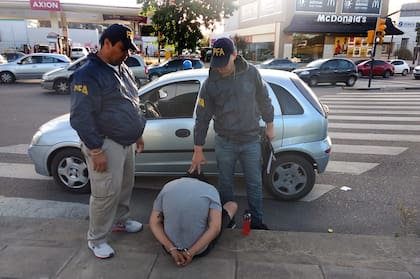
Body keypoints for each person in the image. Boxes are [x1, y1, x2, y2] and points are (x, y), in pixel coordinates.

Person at [70, 23, 147, 259]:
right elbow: (81, 117)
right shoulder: (87, 74)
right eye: (123, 48)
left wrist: (137, 132)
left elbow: (131, 103)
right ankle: (97, 239)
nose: (126, 54)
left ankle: (120, 222)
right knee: (105, 193)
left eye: (128, 50)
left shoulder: (122, 68)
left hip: (125, 141)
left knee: (124, 186)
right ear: (106, 44)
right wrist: (95, 150)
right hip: (104, 143)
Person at [189, 37, 275, 230]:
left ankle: (257, 222)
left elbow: (264, 99)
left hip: (251, 140)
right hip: (225, 142)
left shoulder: (252, 73)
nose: (220, 68)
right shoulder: (210, 82)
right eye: (216, 63)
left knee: (254, 184)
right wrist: (198, 148)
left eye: (223, 63)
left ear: (234, 55)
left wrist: (270, 125)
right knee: (225, 185)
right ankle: (227, 221)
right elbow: (202, 117)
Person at [149, 174, 237, 267]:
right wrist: (190, 253)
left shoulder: (167, 187)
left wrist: (172, 249)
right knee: (232, 205)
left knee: (162, 215)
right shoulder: (210, 189)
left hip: (169, 249)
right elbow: (215, 228)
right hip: (200, 251)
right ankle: (231, 224)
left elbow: (154, 223)